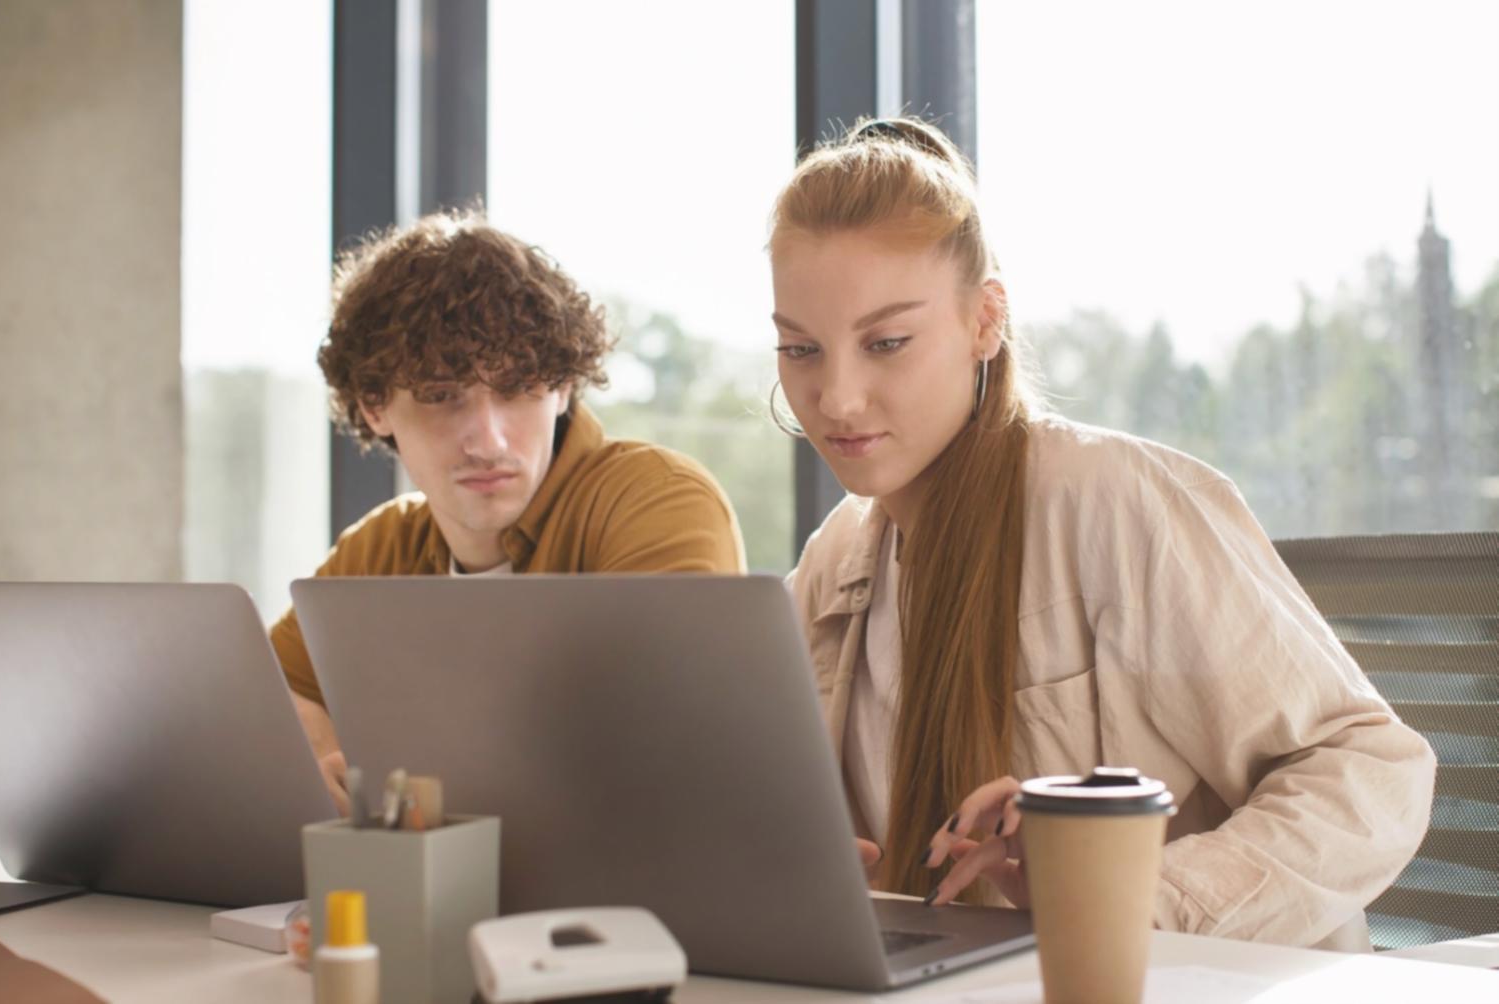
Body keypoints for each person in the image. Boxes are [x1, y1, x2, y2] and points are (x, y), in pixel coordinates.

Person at [769, 117, 1435, 950]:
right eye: (800, 348)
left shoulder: (1115, 504)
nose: (837, 398)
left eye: (887, 343)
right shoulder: (836, 564)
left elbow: (1373, 772)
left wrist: (1128, 901)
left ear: (984, 321)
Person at [273, 210, 746, 811]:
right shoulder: (381, 545)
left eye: (518, 388)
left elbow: (654, 743)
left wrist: (391, 784)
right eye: (443, 396)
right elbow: (265, 705)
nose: (488, 440)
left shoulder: (655, 500)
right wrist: (324, 768)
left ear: (563, 387)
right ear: (374, 406)